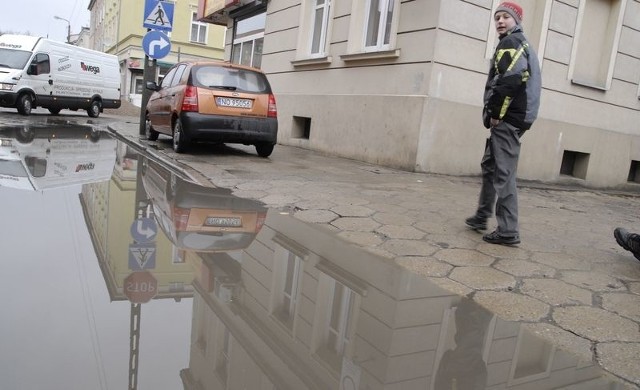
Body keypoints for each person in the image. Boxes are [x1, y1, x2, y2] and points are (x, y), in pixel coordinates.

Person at [465, 2, 541, 245]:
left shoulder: (511, 43)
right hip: (512, 117)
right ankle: (481, 215)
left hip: (507, 118)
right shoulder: (516, 43)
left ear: (516, 20)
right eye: (497, 17)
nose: (500, 21)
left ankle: (508, 231)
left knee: (504, 174)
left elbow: (511, 80)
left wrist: (496, 113)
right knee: (490, 166)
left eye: (505, 17)